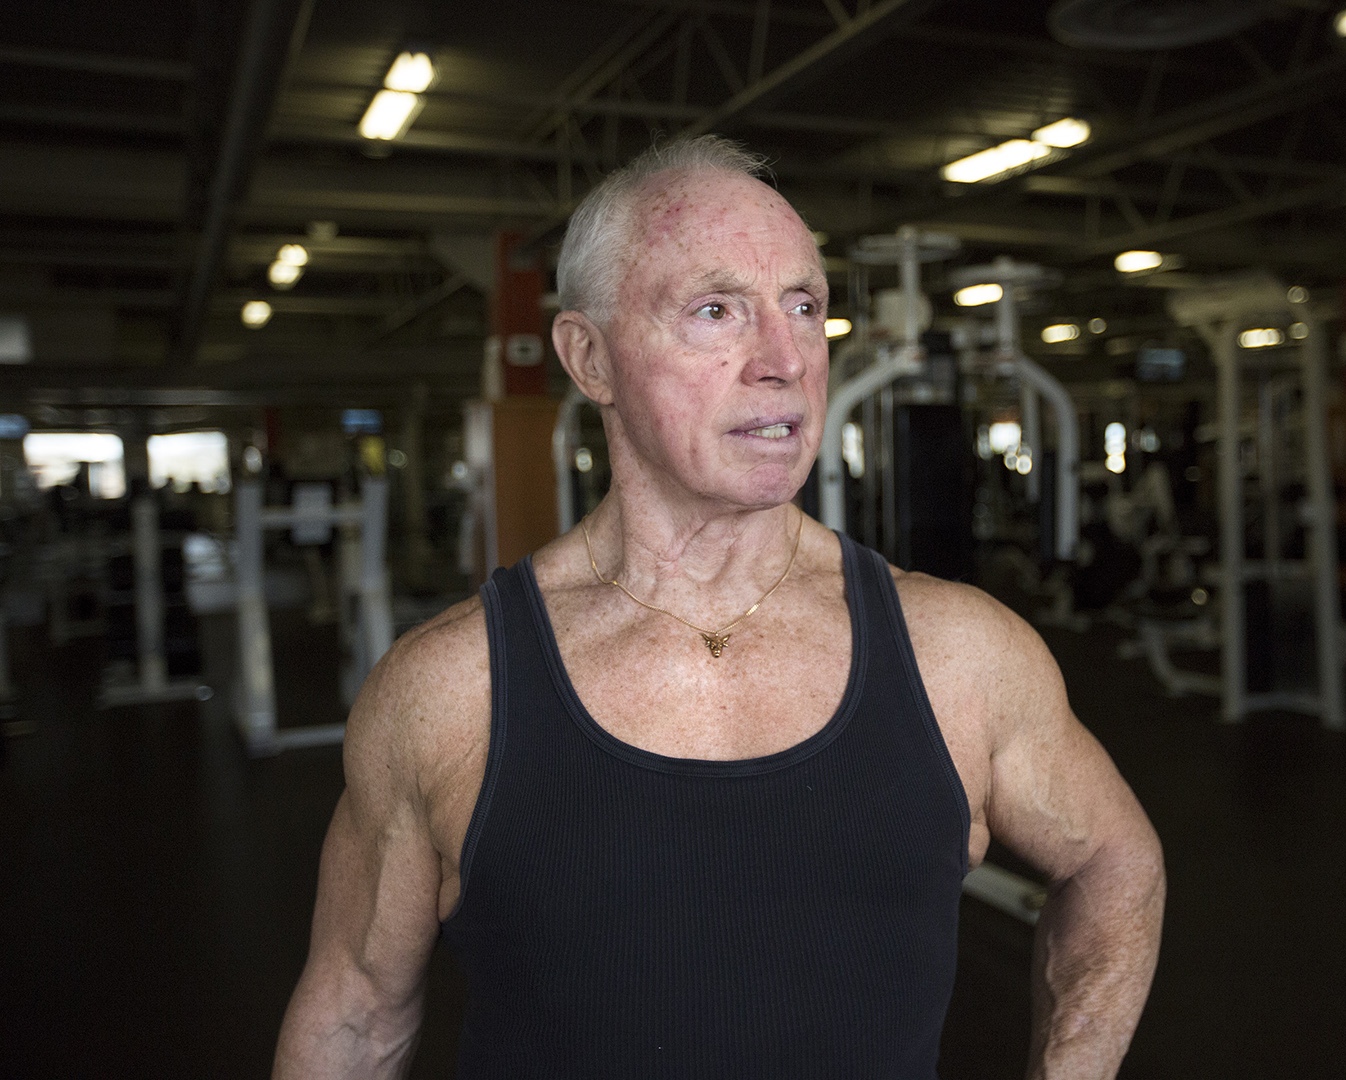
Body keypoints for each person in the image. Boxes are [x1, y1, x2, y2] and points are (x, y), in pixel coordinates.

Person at [273, 136, 1164, 1080]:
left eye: (805, 307)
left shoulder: (961, 653)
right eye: (714, 310)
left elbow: (1115, 859)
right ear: (589, 358)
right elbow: (355, 1017)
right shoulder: (449, 692)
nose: (784, 359)